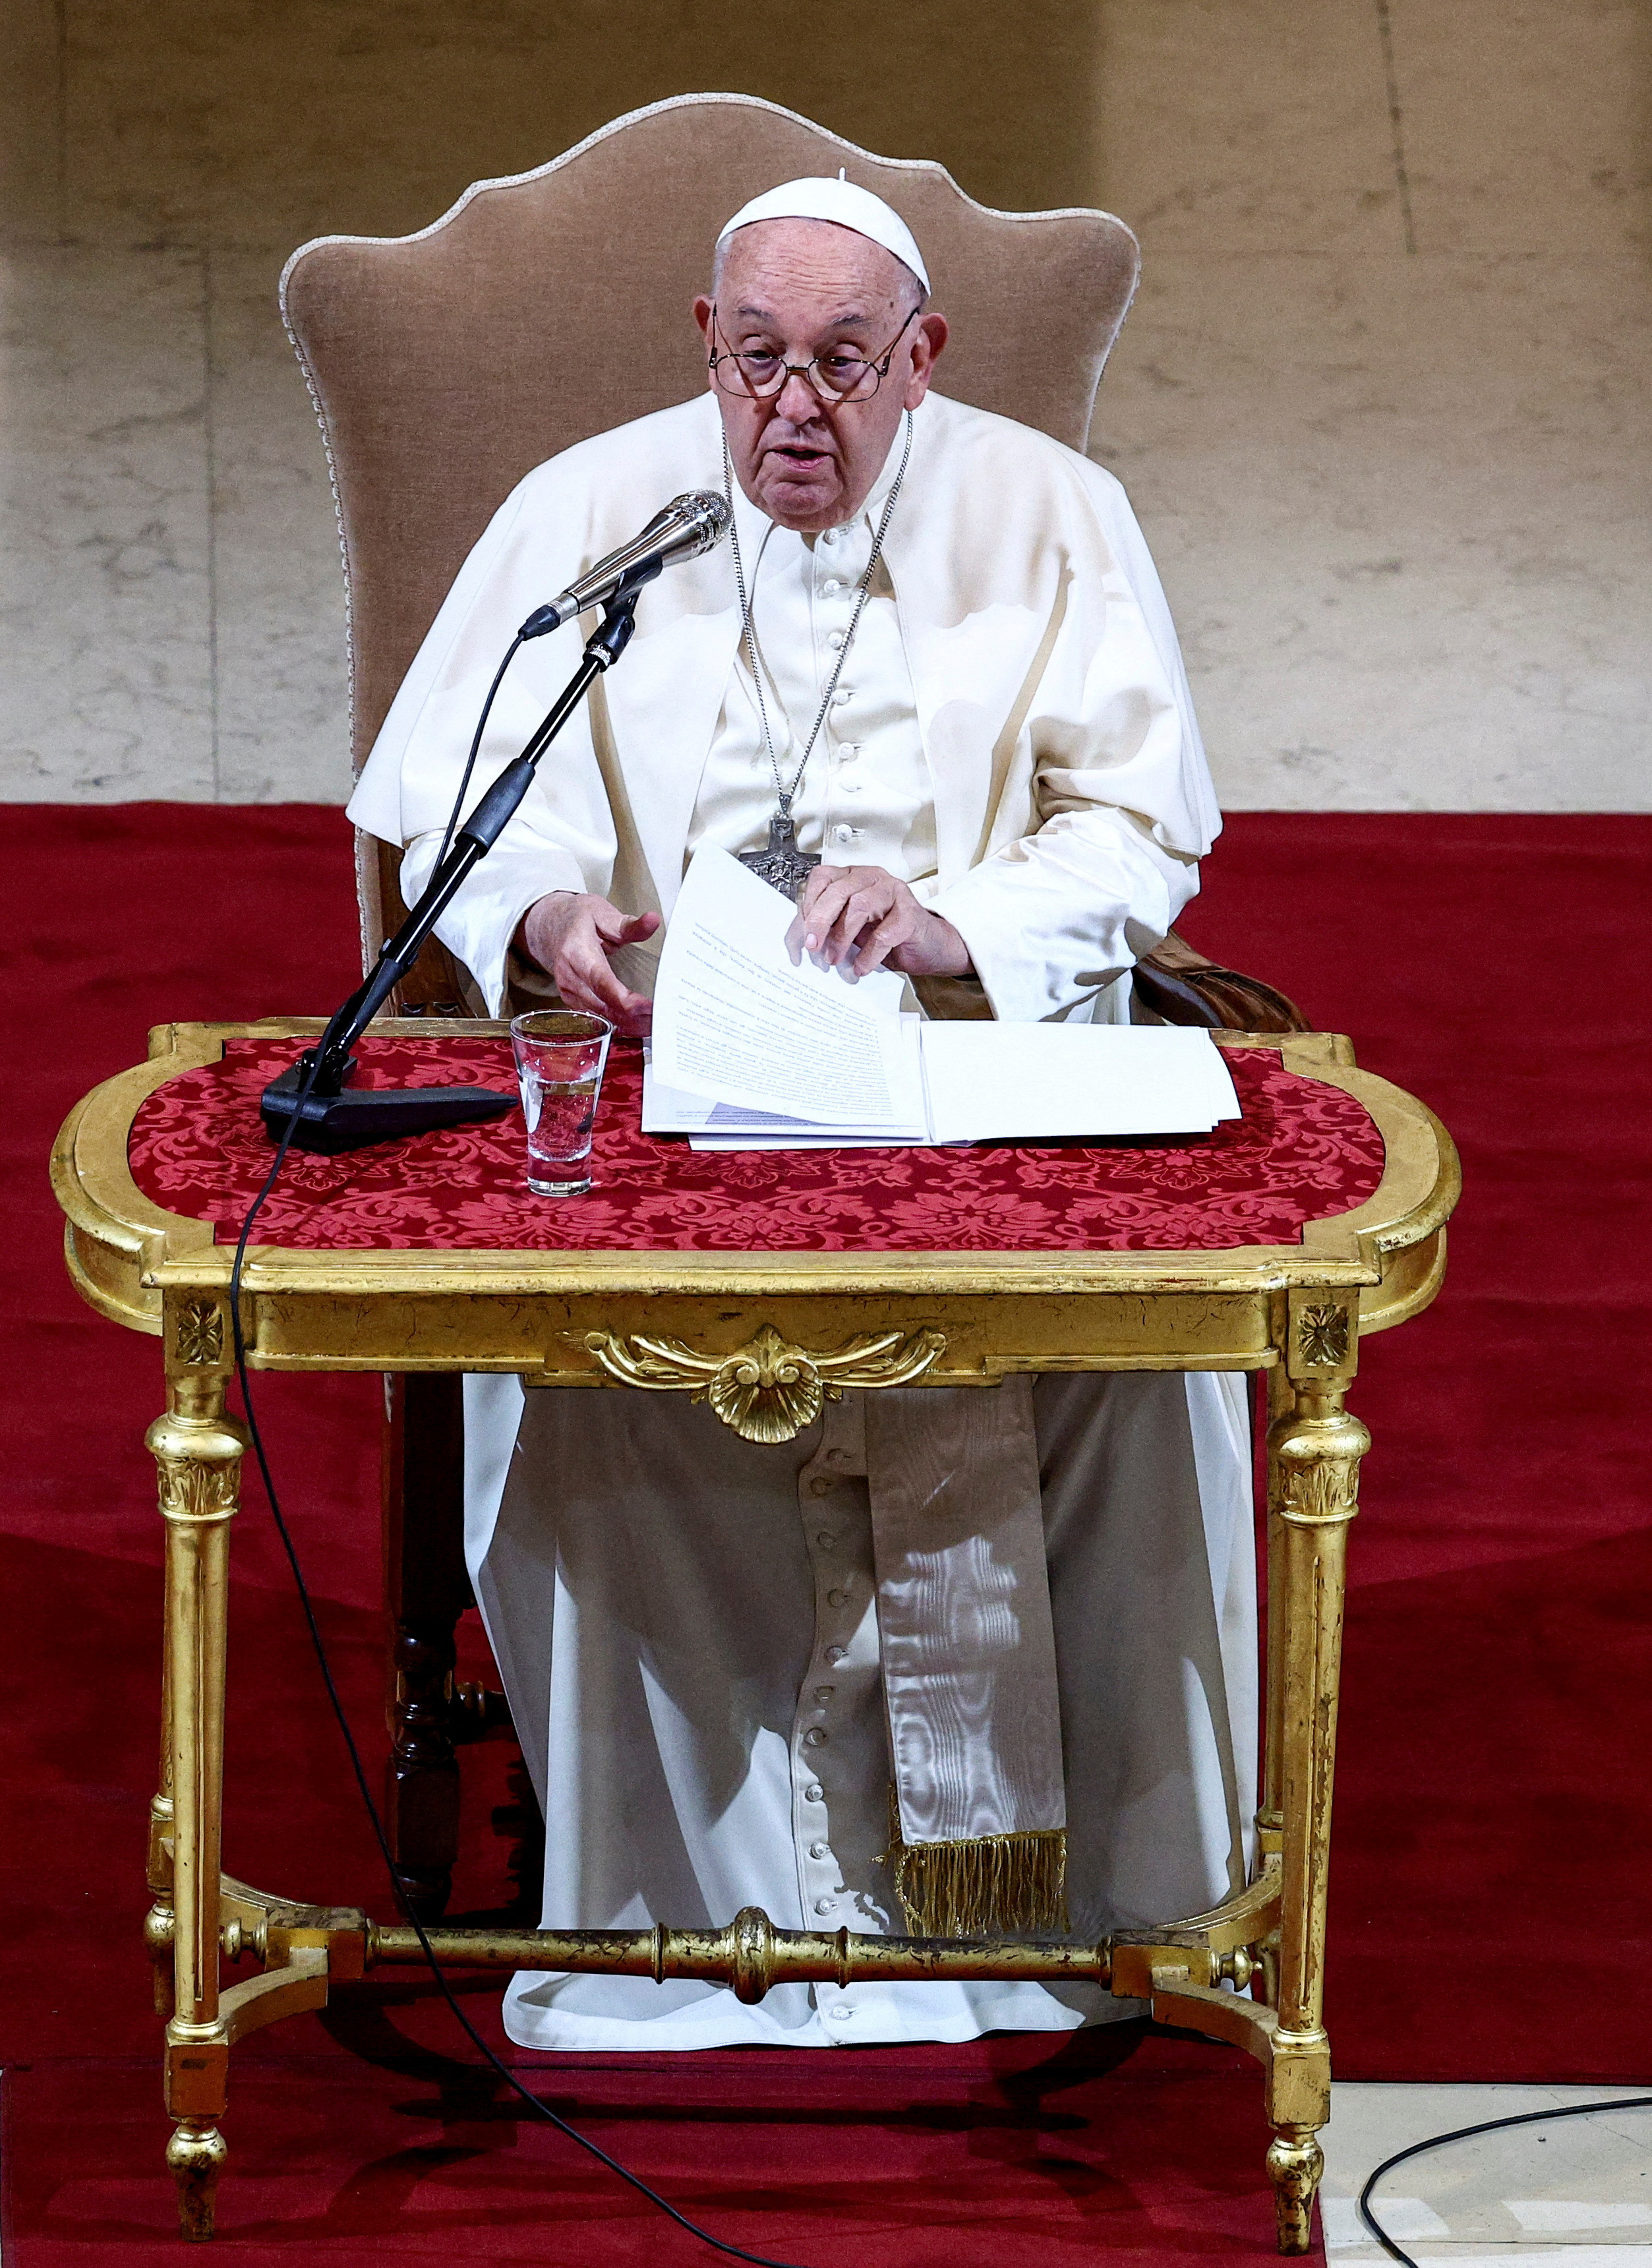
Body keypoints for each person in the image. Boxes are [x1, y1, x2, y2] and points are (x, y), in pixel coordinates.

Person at [345, 175, 1257, 2050]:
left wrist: (958, 919)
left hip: (968, 1084)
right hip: (679, 1102)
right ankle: (693, 1919)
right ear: (706, 346)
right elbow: (457, 799)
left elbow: (1142, 824)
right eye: (758, 360)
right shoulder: (601, 517)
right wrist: (541, 915)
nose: (795, 410)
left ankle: (1069, 1907)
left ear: (923, 359)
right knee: (594, 1385)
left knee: (1135, 1366)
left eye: (846, 365)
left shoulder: (1049, 517)